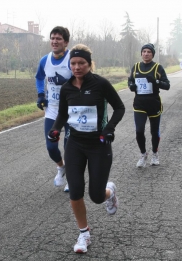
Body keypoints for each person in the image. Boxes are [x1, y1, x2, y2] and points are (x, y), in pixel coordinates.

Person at [48, 44, 125, 254]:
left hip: (99, 144)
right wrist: (55, 130)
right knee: (75, 190)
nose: (77, 67)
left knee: (96, 197)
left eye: (81, 63)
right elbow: (63, 115)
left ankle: (109, 192)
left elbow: (120, 107)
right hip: (74, 144)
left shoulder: (101, 84)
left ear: (89, 64)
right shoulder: (67, 88)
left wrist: (109, 128)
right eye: (73, 63)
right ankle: (84, 233)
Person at [35, 26, 72, 192]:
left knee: (69, 148)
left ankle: (72, 178)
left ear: (66, 42)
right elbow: (39, 77)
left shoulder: (72, 58)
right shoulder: (45, 60)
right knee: (51, 147)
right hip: (52, 110)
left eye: (58, 38)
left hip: (72, 111)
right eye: (52, 38)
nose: (55, 41)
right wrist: (41, 94)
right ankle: (61, 167)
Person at [128, 43, 170, 168]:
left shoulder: (158, 67)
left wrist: (156, 81)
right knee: (139, 131)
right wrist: (131, 86)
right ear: (141, 53)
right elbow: (130, 80)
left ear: (152, 54)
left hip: (154, 104)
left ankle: (155, 153)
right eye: (144, 51)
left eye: (149, 52)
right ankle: (143, 154)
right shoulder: (136, 67)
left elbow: (167, 85)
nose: (146, 54)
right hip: (139, 104)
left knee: (154, 131)